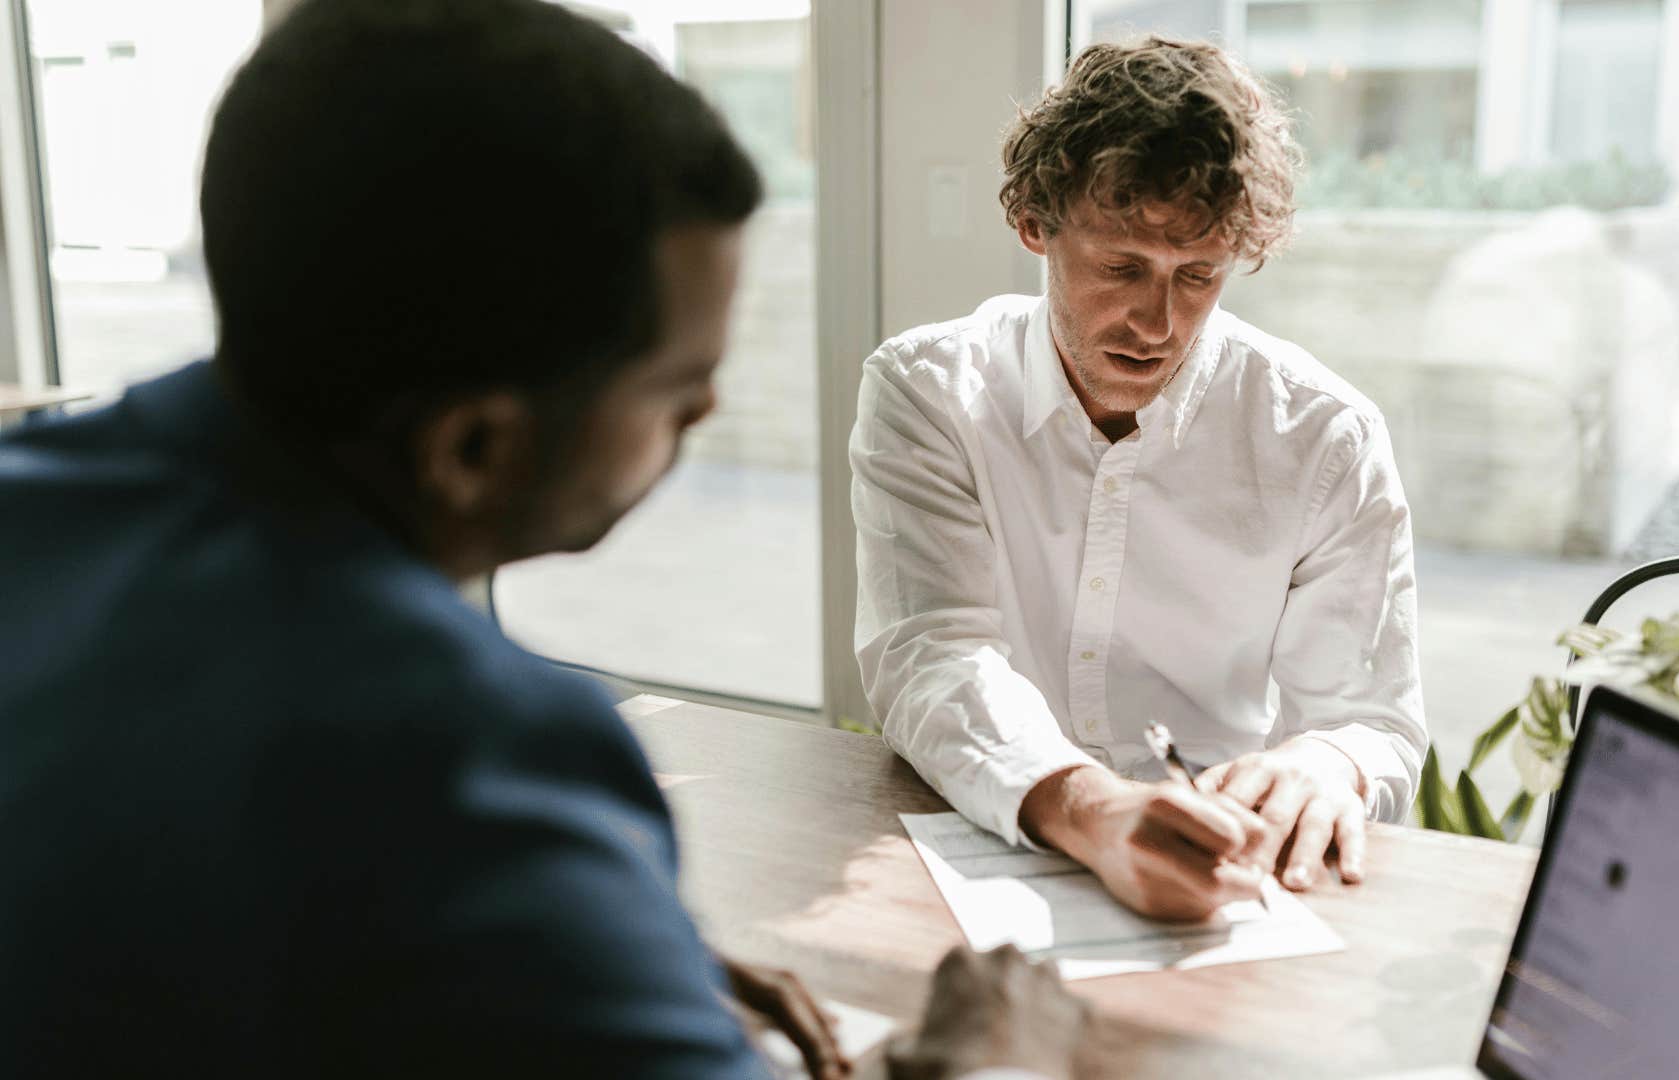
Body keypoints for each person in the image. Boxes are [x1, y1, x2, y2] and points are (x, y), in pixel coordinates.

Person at [0, 1, 1080, 1076]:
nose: (708, 415)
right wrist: (989, 1062)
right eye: (677, 388)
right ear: (473, 449)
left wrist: (574, 963)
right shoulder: (473, 755)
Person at [851, 37, 1428, 921]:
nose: (1159, 324)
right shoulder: (929, 392)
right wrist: (1093, 808)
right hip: (974, 846)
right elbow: (931, 653)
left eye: (1197, 278)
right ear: (1035, 225)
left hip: (1224, 872)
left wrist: (1326, 763)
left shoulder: (1325, 437)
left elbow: (1373, 721)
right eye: (1122, 268)